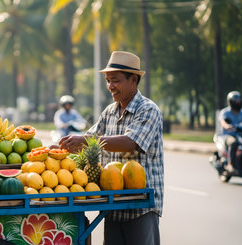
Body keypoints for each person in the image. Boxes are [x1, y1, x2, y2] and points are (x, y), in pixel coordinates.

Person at [58, 51, 163, 245]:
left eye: (115, 80)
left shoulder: (148, 109)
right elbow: (89, 137)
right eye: (108, 81)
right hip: (113, 207)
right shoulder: (110, 112)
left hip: (140, 208)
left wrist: (86, 141)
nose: (110, 86)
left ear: (133, 79)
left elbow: (132, 142)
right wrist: (57, 148)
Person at [219, 91, 242, 174]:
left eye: (239, 100)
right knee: (233, 143)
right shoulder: (225, 112)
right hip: (228, 135)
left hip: (241, 135)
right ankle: (230, 164)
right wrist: (227, 126)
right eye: (235, 101)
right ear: (230, 102)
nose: (237, 102)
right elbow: (222, 122)